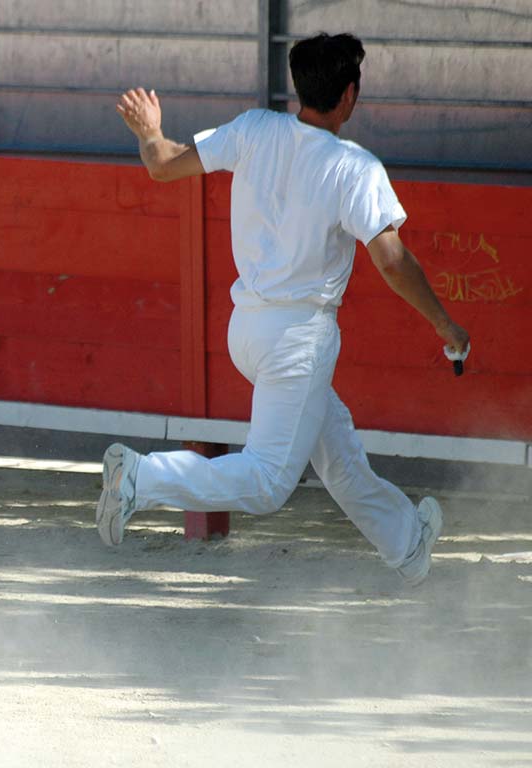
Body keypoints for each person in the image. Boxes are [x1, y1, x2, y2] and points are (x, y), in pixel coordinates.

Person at [100, 32, 470, 586]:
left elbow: (162, 164)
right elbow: (393, 261)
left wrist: (149, 131)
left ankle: (406, 542)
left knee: (335, 447)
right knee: (269, 482)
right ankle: (142, 478)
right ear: (349, 95)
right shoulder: (355, 167)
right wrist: (445, 324)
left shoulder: (255, 128)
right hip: (298, 340)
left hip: (247, 329)